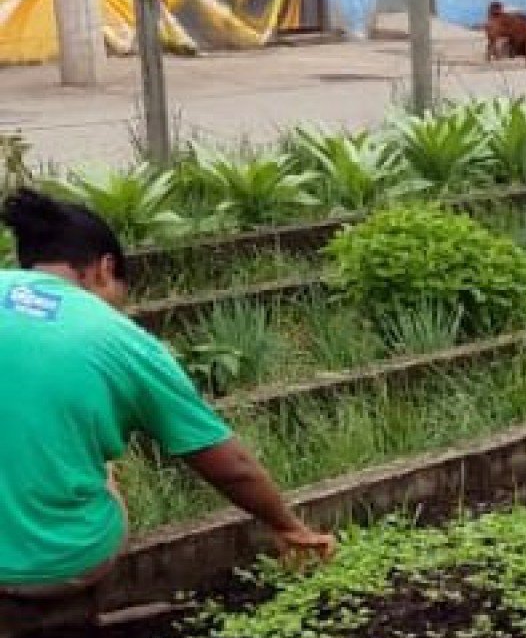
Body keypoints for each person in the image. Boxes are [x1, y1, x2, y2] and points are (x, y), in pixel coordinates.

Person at [0, 189, 336, 603]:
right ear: (105, 269)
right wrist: (288, 526)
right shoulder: (120, 339)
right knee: (103, 466)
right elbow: (231, 468)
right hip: (58, 564)